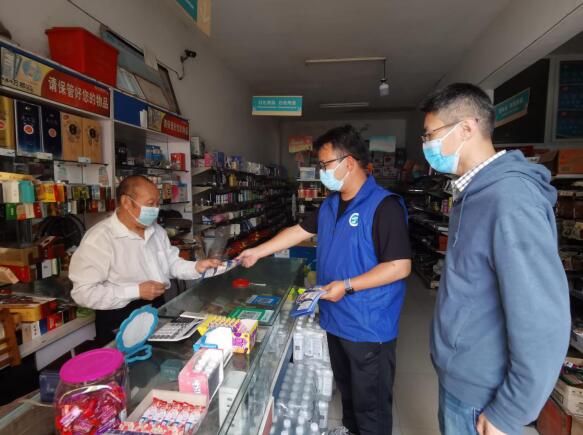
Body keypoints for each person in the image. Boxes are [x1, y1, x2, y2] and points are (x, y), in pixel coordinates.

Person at [237, 125, 411, 435]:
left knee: (370, 404)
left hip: (368, 324)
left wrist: (347, 285)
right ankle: (350, 430)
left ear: (349, 162)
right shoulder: (331, 204)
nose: (322, 172)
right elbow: (298, 231)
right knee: (348, 390)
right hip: (335, 317)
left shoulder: (384, 206)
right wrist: (257, 251)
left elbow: (399, 266)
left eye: (326, 164)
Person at [419, 83, 571, 435]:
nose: (426, 145)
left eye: (430, 135)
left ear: (466, 128)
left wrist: (510, 410)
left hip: (484, 396)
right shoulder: (473, 193)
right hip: (462, 377)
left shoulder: (510, 200)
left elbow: (543, 319)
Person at [69, 175, 221, 344]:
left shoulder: (156, 231)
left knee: (158, 355)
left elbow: (171, 263)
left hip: (156, 306)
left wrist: (197, 267)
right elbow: (83, 293)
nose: (155, 209)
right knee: (125, 360)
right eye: (150, 204)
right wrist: (136, 291)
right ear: (126, 202)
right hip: (118, 316)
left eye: (157, 204)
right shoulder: (99, 239)